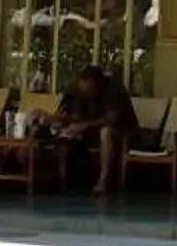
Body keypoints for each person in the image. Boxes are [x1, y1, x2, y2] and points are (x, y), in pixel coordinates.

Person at [50, 65, 138, 197]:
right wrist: (54, 119)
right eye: (83, 90)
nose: (85, 93)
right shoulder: (77, 89)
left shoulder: (113, 88)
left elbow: (110, 120)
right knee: (65, 131)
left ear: (98, 85)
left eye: (89, 90)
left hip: (122, 133)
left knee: (105, 131)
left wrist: (85, 125)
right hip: (90, 130)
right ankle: (62, 181)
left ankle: (103, 181)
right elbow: (76, 117)